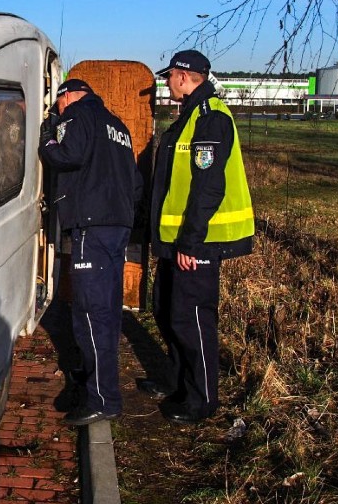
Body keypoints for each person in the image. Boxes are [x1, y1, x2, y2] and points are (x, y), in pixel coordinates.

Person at [144, 49, 254, 425]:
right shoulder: (189, 116)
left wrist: (191, 243)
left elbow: (208, 187)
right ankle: (177, 382)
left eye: (168, 77)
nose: (166, 84)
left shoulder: (210, 119)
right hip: (177, 242)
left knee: (191, 319)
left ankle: (202, 399)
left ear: (183, 75)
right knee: (166, 311)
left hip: (198, 243)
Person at [39, 78, 142, 426]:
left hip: (92, 227)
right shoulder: (119, 126)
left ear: (68, 96)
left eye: (58, 103)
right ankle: (94, 383)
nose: (58, 108)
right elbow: (135, 182)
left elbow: (66, 155)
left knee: (89, 313)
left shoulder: (78, 116)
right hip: (116, 228)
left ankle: (102, 398)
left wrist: (48, 136)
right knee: (108, 311)